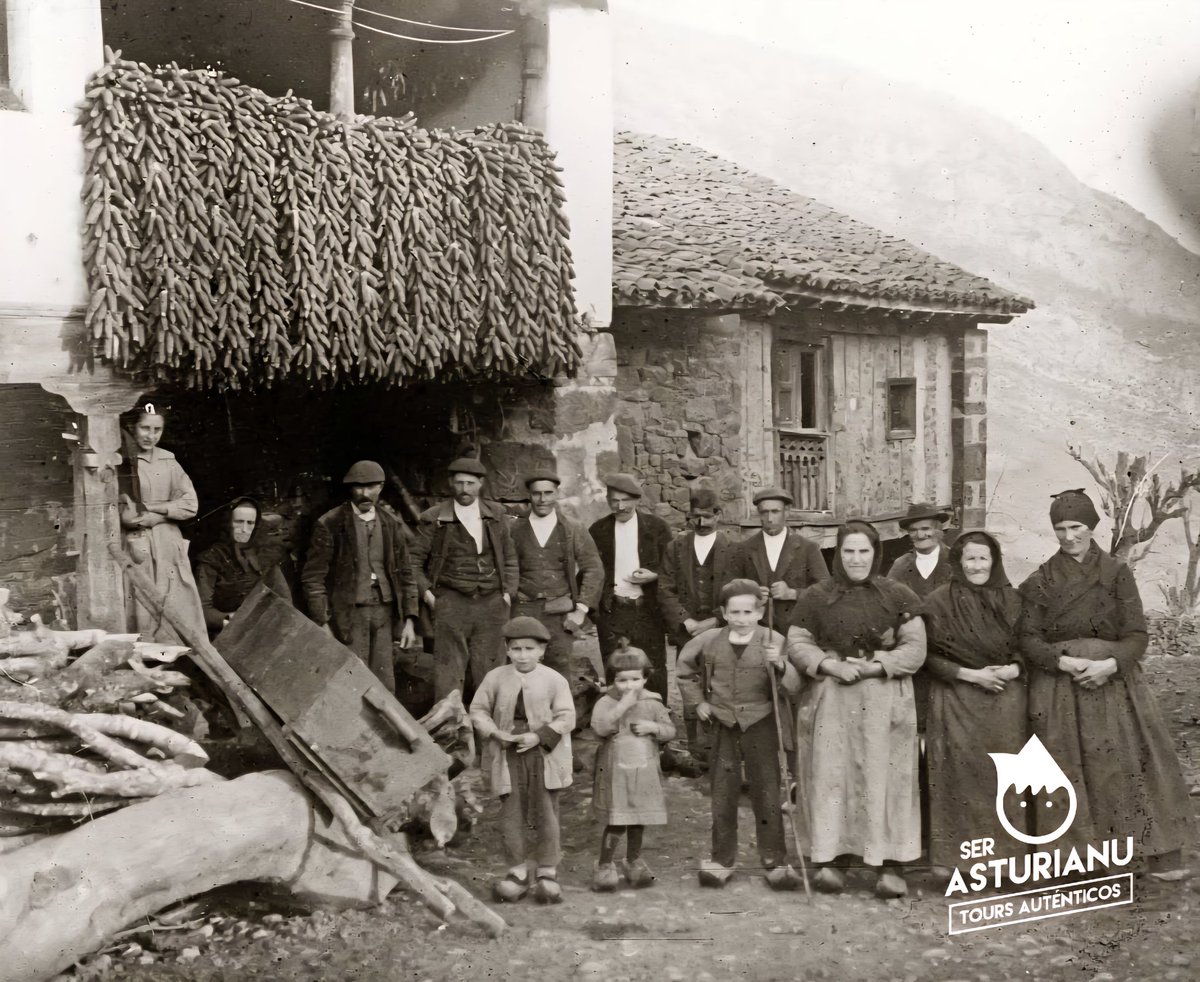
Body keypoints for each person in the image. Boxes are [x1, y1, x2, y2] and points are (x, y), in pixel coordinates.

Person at [1018, 489, 1191, 876]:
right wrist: (1061, 661)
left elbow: (1137, 635)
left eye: (1076, 526)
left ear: (1092, 527)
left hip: (1113, 684)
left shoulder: (1116, 573)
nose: (1068, 536)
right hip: (1060, 686)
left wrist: (1110, 665)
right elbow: (1028, 638)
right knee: (1065, 768)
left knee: (1130, 762)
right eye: (1060, 528)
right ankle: (1073, 861)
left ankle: (1153, 849)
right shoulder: (1041, 579)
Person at [786, 520, 925, 899]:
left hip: (883, 695)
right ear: (838, 554)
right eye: (848, 551)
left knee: (886, 778)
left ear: (876, 553)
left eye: (864, 551)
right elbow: (797, 641)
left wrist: (876, 666)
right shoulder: (817, 596)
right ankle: (831, 859)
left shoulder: (898, 594)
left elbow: (914, 648)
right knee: (832, 776)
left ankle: (890, 863)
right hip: (832, 696)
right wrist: (830, 666)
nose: (856, 559)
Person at [677, 578, 803, 891]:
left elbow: (794, 687)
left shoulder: (774, 639)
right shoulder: (709, 640)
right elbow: (683, 670)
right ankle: (722, 859)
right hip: (722, 722)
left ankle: (774, 860)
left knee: (767, 792)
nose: (742, 618)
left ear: (760, 612)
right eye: (734, 612)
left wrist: (782, 665)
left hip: (761, 723)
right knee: (723, 791)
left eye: (748, 612)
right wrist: (699, 702)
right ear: (723, 612)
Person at [921, 530, 1026, 871]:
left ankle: (1007, 864)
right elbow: (929, 657)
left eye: (983, 558)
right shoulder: (938, 601)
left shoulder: (1014, 599)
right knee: (958, 778)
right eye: (970, 559)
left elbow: (1030, 645)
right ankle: (956, 865)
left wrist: (1011, 670)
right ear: (958, 562)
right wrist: (970, 675)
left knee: (1005, 778)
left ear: (994, 561)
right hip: (956, 698)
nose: (977, 565)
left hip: (1005, 701)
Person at [469, 616, 575, 905]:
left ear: (542, 651)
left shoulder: (555, 680)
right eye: (516, 649)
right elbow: (478, 710)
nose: (523, 655)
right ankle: (516, 871)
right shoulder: (495, 678)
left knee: (545, 810)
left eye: (529, 649)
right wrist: (494, 732)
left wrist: (540, 736)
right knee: (511, 811)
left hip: (542, 753)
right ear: (506, 649)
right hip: (507, 751)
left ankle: (547, 871)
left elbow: (567, 716)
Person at [301, 460, 418, 693]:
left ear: (381, 487)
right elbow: (313, 578)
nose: (365, 493)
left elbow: (406, 572)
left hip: (383, 613)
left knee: (384, 684)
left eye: (371, 487)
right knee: (350, 682)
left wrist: (410, 620)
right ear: (350, 488)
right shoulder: (330, 523)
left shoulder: (391, 523)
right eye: (358, 487)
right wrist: (323, 622)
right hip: (348, 615)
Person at [411, 457, 519, 701]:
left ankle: (490, 727)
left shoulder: (496, 514)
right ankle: (450, 729)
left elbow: (510, 556)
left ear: (480, 484)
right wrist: (427, 594)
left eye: (470, 483)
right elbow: (413, 561)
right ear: (451, 483)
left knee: (491, 670)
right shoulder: (434, 517)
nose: (464, 490)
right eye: (459, 483)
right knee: (449, 670)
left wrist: (508, 593)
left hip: (492, 602)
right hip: (451, 601)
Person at [590, 641, 675, 891]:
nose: (629, 686)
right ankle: (605, 864)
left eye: (635, 679)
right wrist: (621, 707)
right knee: (617, 819)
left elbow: (670, 731)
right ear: (613, 680)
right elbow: (600, 727)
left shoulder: (653, 702)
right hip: (615, 771)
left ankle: (633, 860)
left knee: (638, 819)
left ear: (645, 678)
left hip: (644, 771)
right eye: (622, 681)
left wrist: (654, 728)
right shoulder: (605, 702)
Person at [118, 403, 206, 643]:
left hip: (168, 544)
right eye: (145, 428)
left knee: (176, 605)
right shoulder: (122, 462)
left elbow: (190, 504)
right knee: (143, 606)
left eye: (157, 430)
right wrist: (132, 517)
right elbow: (120, 511)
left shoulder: (168, 462)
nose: (151, 435)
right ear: (132, 427)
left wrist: (156, 512)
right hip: (139, 546)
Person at [659, 487, 731, 772]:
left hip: (720, 628)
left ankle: (720, 749)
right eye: (695, 517)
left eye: (707, 517)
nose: (701, 523)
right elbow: (665, 587)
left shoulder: (734, 549)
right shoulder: (676, 548)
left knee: (720, 685)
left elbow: (737, 590)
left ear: (718, 515)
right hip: (686, 631)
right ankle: (696, 748)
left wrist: (714, 621)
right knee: (689, 685)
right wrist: (685, 620)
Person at [510, 468, 604, 680]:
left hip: (559, 612)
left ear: (557, 493)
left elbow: (593, 568)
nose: (542, 499)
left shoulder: (572, 528)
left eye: (548, 493)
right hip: (522, 609)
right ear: (529, 495)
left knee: (559, 671)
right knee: (520, 670)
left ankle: (559, 713)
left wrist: (580, 610)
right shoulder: (514, 528)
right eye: (536, 493)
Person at [588, 474, 672, 699]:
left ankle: (655, 714)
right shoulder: (598, 530)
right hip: (613, 610)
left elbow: (672, 569)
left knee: (651, 665)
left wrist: (653, 576)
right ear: (607, 500)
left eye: (626, 500)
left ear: (637, 500)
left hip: (647, 609)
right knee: (615, 664)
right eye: (614, 500)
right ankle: (616, 717)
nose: (620, 506)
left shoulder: (657, 528)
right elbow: (590, 570)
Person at [728, 487, 829, 627]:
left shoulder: (808, 548)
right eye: (764, 512)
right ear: (759, 513)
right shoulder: (743, 549)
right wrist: (750, 594)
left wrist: (793, 593)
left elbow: (825, 589)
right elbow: (729, 587)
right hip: (754, 630)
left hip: (796, 629)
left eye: (775, 512)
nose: (770, 519)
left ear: (786, 512)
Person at [195, 496, 293, 636]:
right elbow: (201, 609)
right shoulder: (211, 559)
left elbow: (285, 601)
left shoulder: (265, 555)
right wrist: (229, 619)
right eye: (239, 522)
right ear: (228, 522)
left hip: (262, 631)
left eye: (250, 523)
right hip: (223, 633)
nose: (244, 529)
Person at [886, 502, 954, 599]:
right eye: (913, 530)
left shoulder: (955, 560)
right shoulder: (900, 565)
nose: (920, 535)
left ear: (938, 530)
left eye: (925, 529)